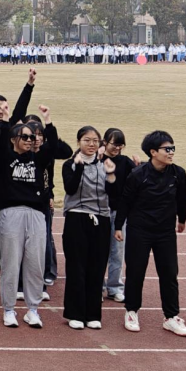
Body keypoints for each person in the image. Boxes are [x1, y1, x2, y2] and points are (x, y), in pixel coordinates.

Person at [115, 130, 186, 336]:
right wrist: (119, 226)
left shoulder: (178, 173)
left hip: (165, 232)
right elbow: (125, 201)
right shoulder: (138, 174)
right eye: (167, 149)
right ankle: (131, 311)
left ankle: (171, 317)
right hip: (140, 230)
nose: (171, 152)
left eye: (172, 148)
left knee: (169, 273)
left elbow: (182, 199)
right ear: (153, 152)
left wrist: (182, 220)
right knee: (135, 272)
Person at [0, 106, 59, 329]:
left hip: (37, 214)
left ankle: (33, 309)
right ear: (14, 139)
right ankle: (9, 309)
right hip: (11, 212)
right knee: (11, 263)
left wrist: (48, 121)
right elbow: (0, 139)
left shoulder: (38, 159)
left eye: (33, 137)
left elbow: (54, 145)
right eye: (25, 137)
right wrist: (4, 119)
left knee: (35, 263)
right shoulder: (5, 157)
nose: (30, 140)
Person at [61, 127, 116, 330]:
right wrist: (79, 167)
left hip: (101, 220)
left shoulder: (105, 165)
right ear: (79, 142)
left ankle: (93, 314)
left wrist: (111, 174)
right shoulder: (70, 164)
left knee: (97, 267)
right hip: (77, 218)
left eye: (95, 140)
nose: (91, 144)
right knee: (76, 267)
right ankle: (75, 313)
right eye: (87, 140)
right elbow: (70, 188)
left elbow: (114, 194)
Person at [101, 128, 138, 303]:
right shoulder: (97, 160)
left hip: (119, 212)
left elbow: (140, 175)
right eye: (114, 144)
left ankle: (115, 287)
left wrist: (139, 164)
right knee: (99, 251)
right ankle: (97, 286)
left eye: (120, 145)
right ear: (105, 142)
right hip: (99, 211)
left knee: (117, 252)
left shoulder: (125, 162)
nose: (117, 148)